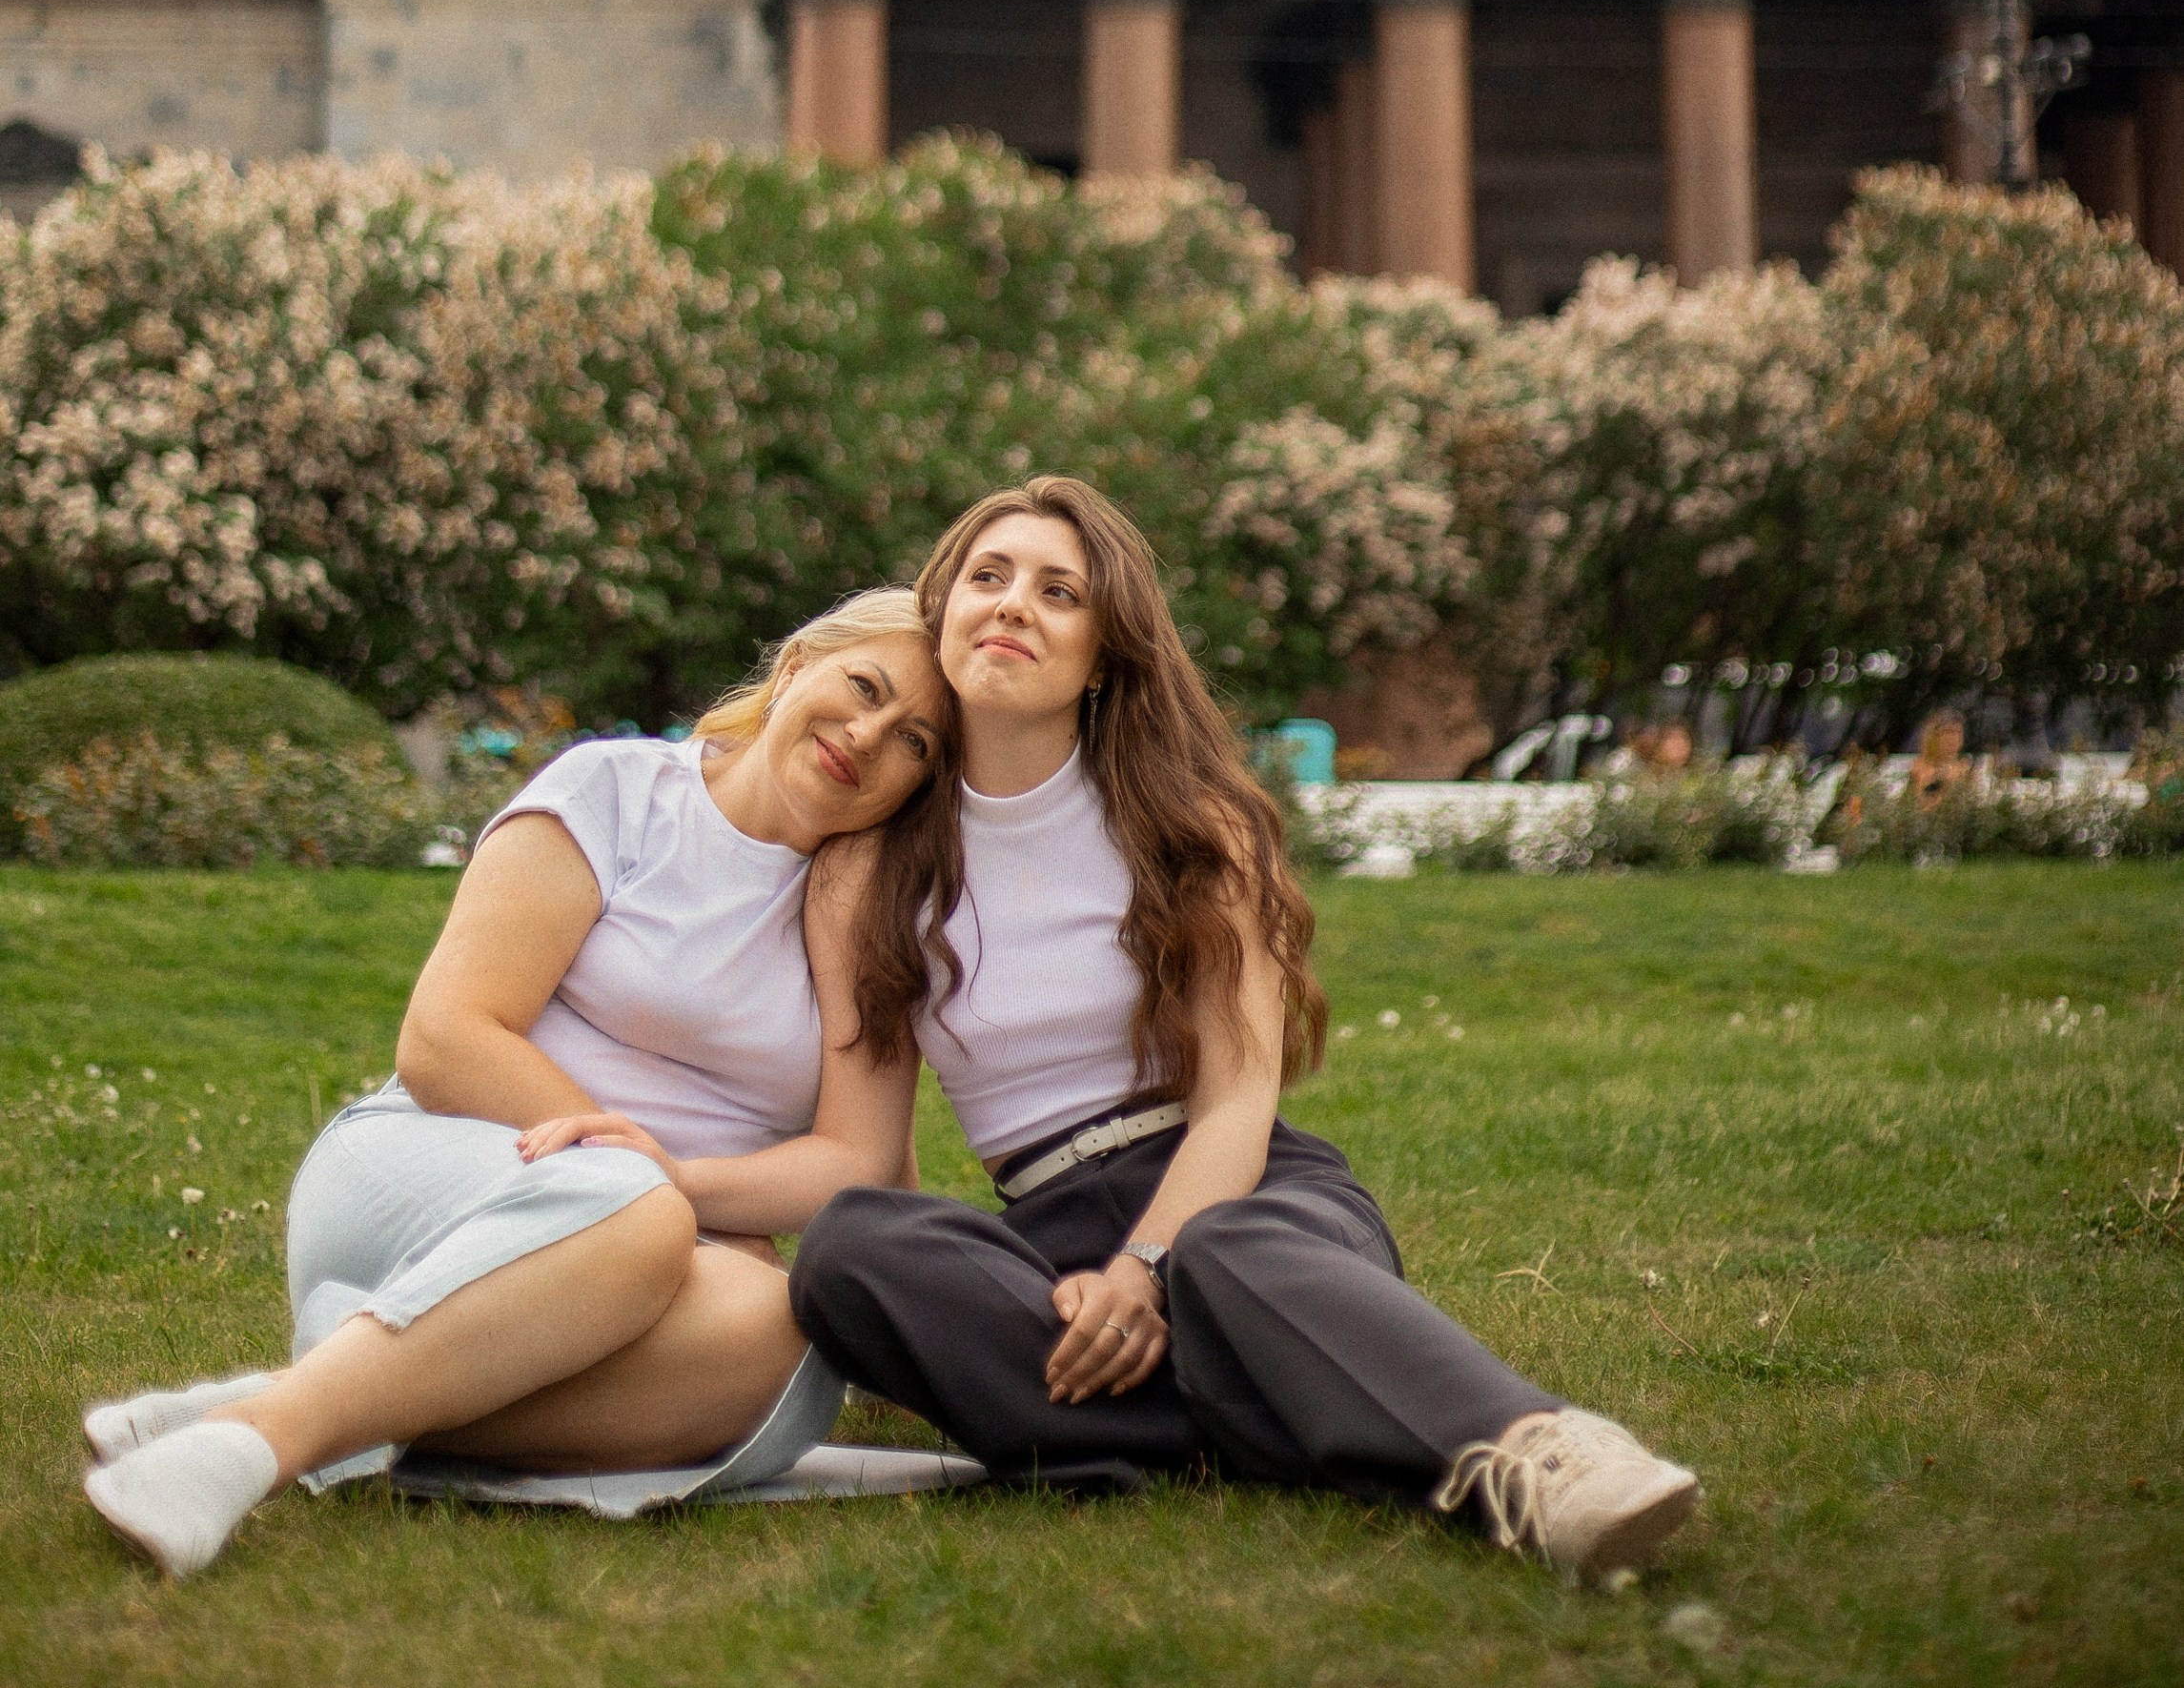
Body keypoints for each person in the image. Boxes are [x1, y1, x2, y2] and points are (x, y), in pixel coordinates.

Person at [790, 481, 1701, 1582]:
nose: (1011, 605)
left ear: (1104, 652)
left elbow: (1236, 1099)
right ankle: (1283, 1415)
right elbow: (877, 1164)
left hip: (1242, 1193)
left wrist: (1138, 1270)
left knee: (1220, 1260)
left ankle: (1538, 1454)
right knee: (850, 1247)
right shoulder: (868, 871)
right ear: (941, 615)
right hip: (1050, 1239)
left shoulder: (1190, 826)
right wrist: (938, 1306)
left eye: (1057, 591)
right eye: (987, 578)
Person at [83, 587, 954, 1580]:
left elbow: (859, 1161)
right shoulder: (616, 791)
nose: (868, 734)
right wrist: (647, 1189)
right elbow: (447, 1038)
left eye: (916, 741)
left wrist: (684, 1187)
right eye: (863, 686)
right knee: (632, 1213)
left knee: (776, 1332)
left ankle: (288, 1402)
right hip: (438, 1168)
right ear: (797, 665)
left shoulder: (870, 917)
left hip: (652, 1257)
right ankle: (260, 1445)